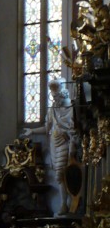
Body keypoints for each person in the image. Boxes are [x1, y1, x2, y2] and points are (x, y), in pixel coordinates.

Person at [21, 77, 79, 215]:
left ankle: (67, 204)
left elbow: (74, 130)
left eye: (56, 95)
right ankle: (65, 204)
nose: (54, 98)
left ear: (63, 92)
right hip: (54, 144)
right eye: (53, 96)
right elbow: (47, 127)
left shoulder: (71, 107)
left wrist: (73, 145)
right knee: (59, 176)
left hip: (65, 143)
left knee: (61, 173)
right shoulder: (53, 108)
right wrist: (32, 131)